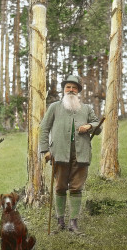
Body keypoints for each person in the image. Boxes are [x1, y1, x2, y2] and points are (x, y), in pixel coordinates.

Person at [39, 75, 101, 235]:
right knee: (59, 187)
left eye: (74, 87)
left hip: (81, 154)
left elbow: (98, 127)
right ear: (64, 89)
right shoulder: (54, 107)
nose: (71, 90)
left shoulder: (87, 109)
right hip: (59, 153)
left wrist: (88, 126)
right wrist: (45, 150)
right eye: (68, 87)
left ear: (79, 91)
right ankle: (60, 222)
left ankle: (73, 223)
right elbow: (44, 128)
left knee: (76, 188)